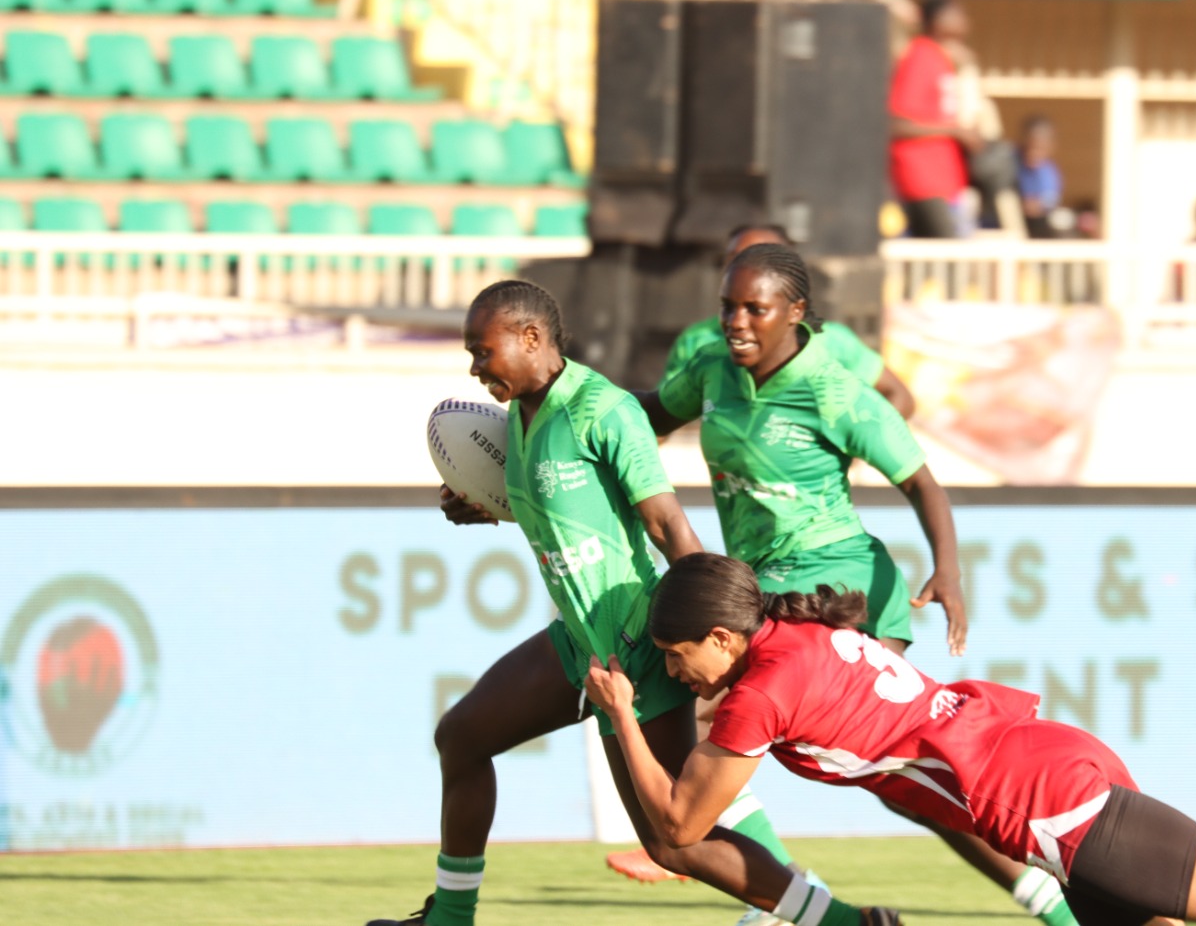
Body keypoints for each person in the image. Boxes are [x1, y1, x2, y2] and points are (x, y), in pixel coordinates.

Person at [587, 554, 1196, 926]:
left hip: (1037, 795)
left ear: (723, 636)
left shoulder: (759, 690)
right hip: (1035, 765)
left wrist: (625, 713)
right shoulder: (795, 634)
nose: (676, 673)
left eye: (679, 656)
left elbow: (682, 824)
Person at [365, 281, 897, 926]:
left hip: (640, 649)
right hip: (579, 645)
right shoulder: (519, 419)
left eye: (483, 351)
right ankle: (450, 918)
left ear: (531, 338)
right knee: (463, 737)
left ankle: (845, 923)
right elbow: (569, 517)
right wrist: (486, 509)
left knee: (674, 842)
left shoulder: (603, 410)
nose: (474, 368)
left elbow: (669, 527)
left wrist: (722, 630)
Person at [635, 243, 1084, 926]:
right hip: (764, 588)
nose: (736, 321)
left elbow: (921, 480)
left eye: (755, 307)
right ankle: (1048, 907)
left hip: (837, 582)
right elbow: (642, 419)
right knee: (901, 781)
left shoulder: (834, 387)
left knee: (712, 727)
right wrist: (565, 409)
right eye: (728, 305)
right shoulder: (709, 370)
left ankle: (778, 891)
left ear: (797, 313)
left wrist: (948, 571)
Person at [661, 225, 915, 419]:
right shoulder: (698, 341)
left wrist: (856, 446)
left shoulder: (832, 341)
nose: (744, 270)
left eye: (761, 260)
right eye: (734, 259)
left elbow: (899, 397)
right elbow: (664, 414)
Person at [889, 0, 980, 238]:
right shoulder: (921, 55)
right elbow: (897, 123)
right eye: (957, 13)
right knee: (949, 259)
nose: (965, 20)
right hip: (922, 175)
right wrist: (956, 131)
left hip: (944, 178)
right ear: (938, 19)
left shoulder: (943, 58)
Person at [1016, 117, 1072, 240]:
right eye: (1031, 148)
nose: (1034, 153)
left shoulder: (1048, 172)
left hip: (1039, 224)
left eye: (1040, 149)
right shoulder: (1014, 163)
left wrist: (1035, 205)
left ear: (1050, 148)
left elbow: (1051, 199)